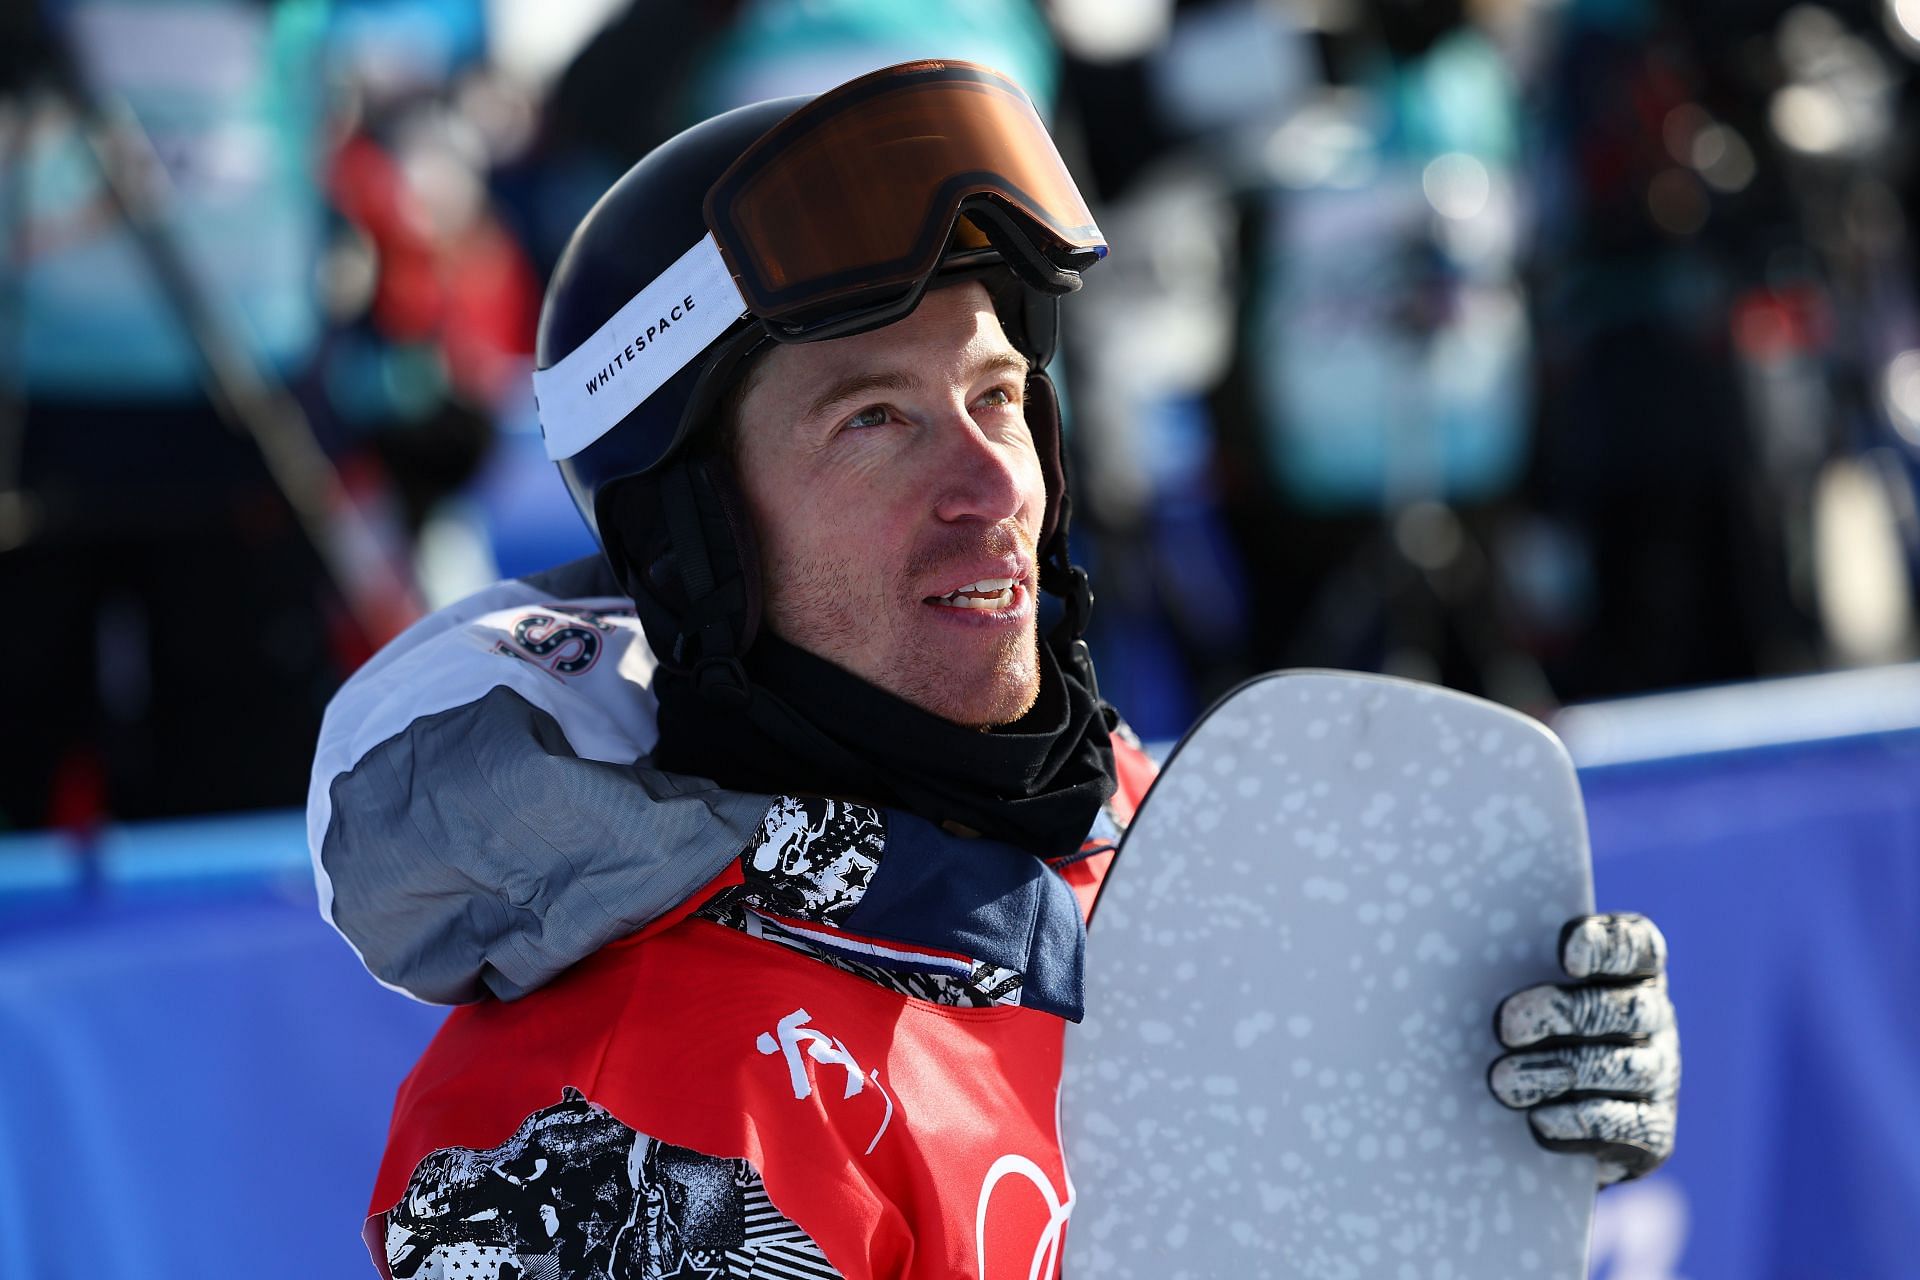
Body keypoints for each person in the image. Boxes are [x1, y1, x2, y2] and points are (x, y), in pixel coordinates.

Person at [309, 61, 1679, 1280]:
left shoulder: (1162, 858)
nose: (986, 485)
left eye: (998, 397)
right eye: (877, 421)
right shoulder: (627, 1127)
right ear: (698, 540)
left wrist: (1468, 1145)